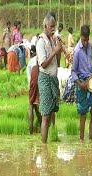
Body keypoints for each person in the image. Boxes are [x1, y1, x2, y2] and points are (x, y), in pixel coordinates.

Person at [36, 14, 62, 143]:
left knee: (52, 112)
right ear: (45, 26)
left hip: (53, 78)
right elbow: (44, 64)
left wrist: (59, 49)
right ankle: (44, 146)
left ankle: (52, 137)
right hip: (45, 79)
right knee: (45, 114)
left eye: (54, 26)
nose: (53, 29)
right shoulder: (41, 42)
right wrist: (54, 51)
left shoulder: (52, 40)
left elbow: (58, 62)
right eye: (51, 26)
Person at [71, 25, 92, 141]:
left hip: (91, 82)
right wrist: (80, 84)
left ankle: (90, 140)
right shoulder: (77, 51)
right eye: (83, 40)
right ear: (81, 36)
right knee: (83, 115)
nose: (85, 43)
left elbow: (91, 66)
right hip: (81, 83)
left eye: (87, 40)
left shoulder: (90, 46)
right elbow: (73, 71)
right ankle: (81, 141)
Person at [27, 50, 42, 134]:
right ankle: (43, 125)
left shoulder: (31, 62)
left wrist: (31, 89)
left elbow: (29, 78)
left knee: (31, 104)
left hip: (33, 80)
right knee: (40, 104)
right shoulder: (43, 58)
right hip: (42, 79)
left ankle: (31, 130)